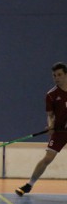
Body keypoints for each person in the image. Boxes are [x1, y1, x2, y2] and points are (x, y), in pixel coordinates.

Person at [16, 62, 67, 196]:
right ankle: (29, 185)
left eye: (59, 75)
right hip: (60, 132)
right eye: (54, 75)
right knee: (48, 158)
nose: (56, 78)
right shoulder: (51, 94)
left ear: (66, 75)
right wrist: (50, 126)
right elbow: (50, 115)